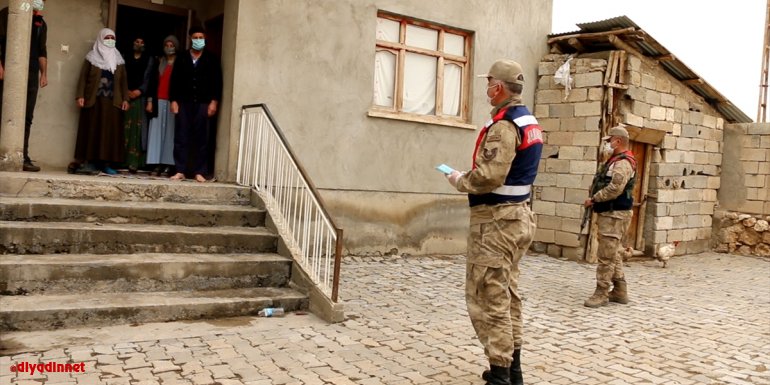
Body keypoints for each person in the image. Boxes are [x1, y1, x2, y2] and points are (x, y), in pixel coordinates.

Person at [446, 59, 542, 385]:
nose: (486, 88)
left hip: (496, 222)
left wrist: (460, 179)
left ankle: (500, 375)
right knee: (507, 293)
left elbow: (489, 175)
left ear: (498, 87)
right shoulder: (529, 121)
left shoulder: (504, 126)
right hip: (518, 217)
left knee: (489, 297)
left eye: (488, 82)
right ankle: (512, 371)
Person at [583, 124, 636, 308]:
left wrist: (594, 198)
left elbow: (615, 188)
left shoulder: (623, 163)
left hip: (616, 214)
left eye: (610, 141)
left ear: (618, 141)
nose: (607, 144)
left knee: (606, 255)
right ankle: (620, 290)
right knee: (612, 252)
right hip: (609, 213)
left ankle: (601, 292)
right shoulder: (614, 160)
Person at [71, 28, 129, 175]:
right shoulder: (91, 57)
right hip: (94, 101)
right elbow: (83, 78)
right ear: (101, 38)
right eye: (107, 37)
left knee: (109, 134)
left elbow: (123, 82)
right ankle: (89, 163)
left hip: (113, 102)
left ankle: (105, 165)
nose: (110, 40)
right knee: (92, 131)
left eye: (112, 37)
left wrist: (125, 99)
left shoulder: (119, 59)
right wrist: (80, 96)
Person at [168, 26, 222, 182]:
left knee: (202, 137)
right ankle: (180, 170)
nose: (198, 40)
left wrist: (214, 102)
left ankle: (200, 171)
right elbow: (175, 80)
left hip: (203, 103)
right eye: (195, 37)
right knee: (181, 136)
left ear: (205, 39)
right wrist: (174, 100)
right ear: (190, 39)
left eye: (201, 37)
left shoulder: (211, 59)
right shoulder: (182, 57)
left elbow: (217, 82)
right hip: (184, 102)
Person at [0, 0, 48, 172]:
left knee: (27, 117)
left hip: (31, 74)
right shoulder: (8, 13)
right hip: (8, 71)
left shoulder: (41, 23)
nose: (40, 2)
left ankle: (23, 156)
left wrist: (44, 74)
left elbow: (42, 50)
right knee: (4, 113)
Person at [145, 35, 178, 176]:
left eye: (172, 45)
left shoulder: (180, 63)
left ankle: (168, 164)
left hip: (172, 102)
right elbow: (152, 83)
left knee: (170, 133)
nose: (169, 48)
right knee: (156, 133)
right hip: (158, 101)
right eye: (167, 45)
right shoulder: (159, 62)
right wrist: (150, 101)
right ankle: (156, 164)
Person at [123, 36, 153, 173]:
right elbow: (121, 76)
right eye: (137, 41)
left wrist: (140, 91)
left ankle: (136, 163)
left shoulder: (149, 59)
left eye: (142, 42)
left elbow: (149, 78)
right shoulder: (124, 57)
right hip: (125, 97)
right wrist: (126, 91)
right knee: (125, 128)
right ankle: (122, 161)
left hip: (141, 98)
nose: (139, 44)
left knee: (139, 130)